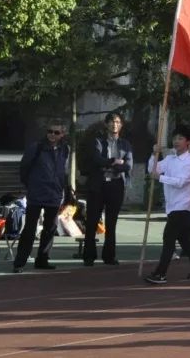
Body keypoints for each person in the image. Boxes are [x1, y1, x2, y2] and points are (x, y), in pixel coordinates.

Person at [144, 125, 190, 283]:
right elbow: (152, 169)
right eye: (175, 138)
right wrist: (154, 154)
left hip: (183, 206)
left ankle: (160, 273)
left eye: (180, 138)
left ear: (189, 142)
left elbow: (181, 182)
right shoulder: (170, 159)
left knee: (168, 238)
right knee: (184, 240)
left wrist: (161, 178)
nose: (176, 141)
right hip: (172, 206)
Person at [14, 119, 74, 272]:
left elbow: (65, 171)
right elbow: (24, 168)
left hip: (54, 194)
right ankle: (20, 261)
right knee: (29, 228)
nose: (52, 135)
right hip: (36, 193)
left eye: (56, 132)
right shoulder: (36, 148)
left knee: (50, 228)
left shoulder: (65, 149)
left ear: (62, 134)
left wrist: (66, 189)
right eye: (50, 131)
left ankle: (42, 259)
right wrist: (31, 185)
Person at [83, 111, 133, 266]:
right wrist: (113, 161)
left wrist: (117, 166)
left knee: (112, 223)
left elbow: (128, 165)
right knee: (92, 222)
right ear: (106, 124)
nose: (114, 124)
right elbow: (97, 159)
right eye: (111, 121)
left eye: (117, 122)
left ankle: (109, 256)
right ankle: (89, 256)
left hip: (116, 185)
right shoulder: (98, 141)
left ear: (121, 125)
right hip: (98, 185)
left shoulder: (125, 144)